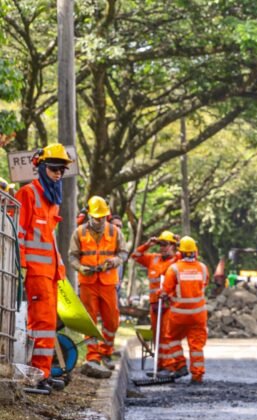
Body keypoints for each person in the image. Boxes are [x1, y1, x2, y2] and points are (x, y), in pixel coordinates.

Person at [15, 144, 72, 394]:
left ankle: (43, 373)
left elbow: (50, 240)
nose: (58, 174)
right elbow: (18, 234)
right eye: (54, 168)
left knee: (47, 324)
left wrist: (60, 270)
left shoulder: (52, 201)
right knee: (40, 323)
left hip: (49, 273)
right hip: (35, 272)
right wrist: (22, 265)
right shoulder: (27, 194)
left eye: (62, 170)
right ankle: (34, 375)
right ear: (40, 167)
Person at [69, 196, 128, 377]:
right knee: (90, 321)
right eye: (96, 217)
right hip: (87, 282)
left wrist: (114, 261)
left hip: (108, 281)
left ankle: (106, 352)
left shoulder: (115, 232)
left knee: (112, 320)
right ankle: (93, 356)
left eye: (102, 217)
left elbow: (124, 253)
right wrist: (80, 267)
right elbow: (72, 256)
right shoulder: (79, 232)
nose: (100, 221)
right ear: (90, 216)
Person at [131, 230, 185, 377]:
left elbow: (192, 256)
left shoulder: (178, 259)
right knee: (157, 336)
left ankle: (170, 366)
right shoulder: (153, 259)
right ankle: (160, 366)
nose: (162, 248)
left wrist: (180, 244)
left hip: (170, 304)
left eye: (165, 244)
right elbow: (135, 256)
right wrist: (147, 245)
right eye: (160, 244)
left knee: (168, 335)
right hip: (155, 305)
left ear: (173, 246)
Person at [161, 236, 209, 384]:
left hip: (179, 314)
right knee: (196, 346)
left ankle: (180, 365)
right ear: (195, 252)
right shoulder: (202, 268)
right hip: (198, 315)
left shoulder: (174, 269)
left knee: (172, 338)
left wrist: (162, 295)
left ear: (180, 252)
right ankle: (197, 376)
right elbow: (204, 284)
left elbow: (166, 290)